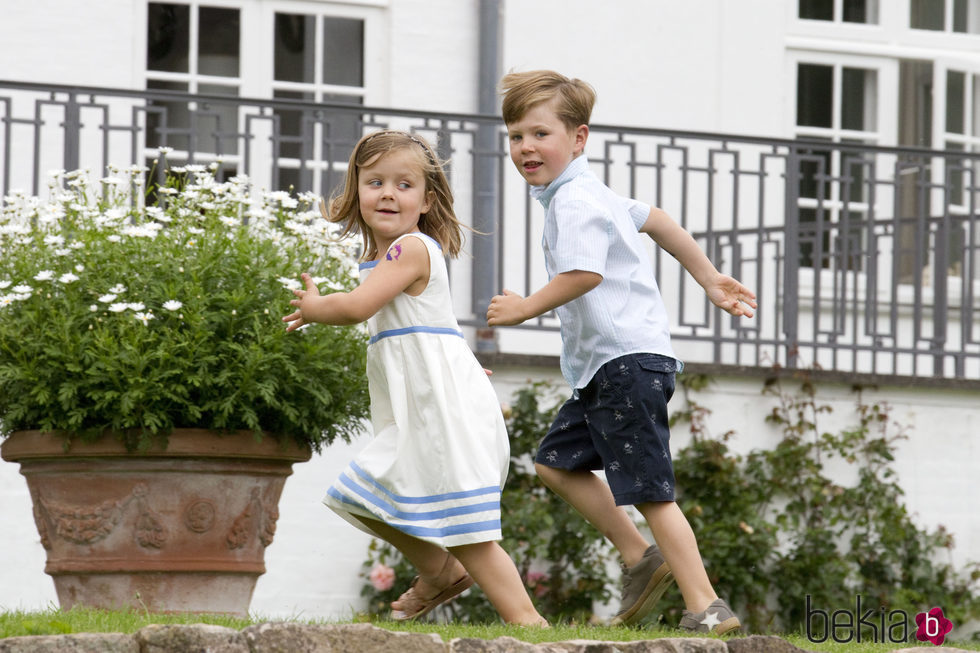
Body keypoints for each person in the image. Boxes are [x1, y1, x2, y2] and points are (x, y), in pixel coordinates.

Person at [487, 70, 757, 635]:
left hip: (623, 365)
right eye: (516, 136)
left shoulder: (574, 202)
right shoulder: (591, 193)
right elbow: (657, 221)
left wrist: (524, 309)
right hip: (614, 367)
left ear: (579, 138)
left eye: (540, 134)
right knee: (555, 463)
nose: (525, 148)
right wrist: (708, 278)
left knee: (652, 491)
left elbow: (585, 273)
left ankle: (705, 605)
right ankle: (641, 559)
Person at [283, 129, 546, 626]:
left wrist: (318, 307)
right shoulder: (385, 258)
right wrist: (457, 368)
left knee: (470, 532)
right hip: (426, 403)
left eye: (403, 185)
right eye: (375, 181)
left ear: (426, 200)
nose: (387, 193)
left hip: (436, 407)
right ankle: (439, 572)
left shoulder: (411, 249)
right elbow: (431, 330)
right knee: (362, 497)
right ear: (356, 191)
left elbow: (359, 308)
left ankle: (527, 622)